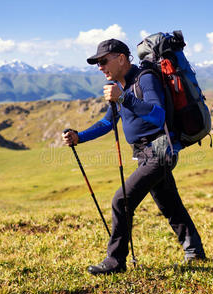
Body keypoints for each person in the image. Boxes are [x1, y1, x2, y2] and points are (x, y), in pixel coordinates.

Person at [62, 39, 205, 275]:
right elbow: (108, 122)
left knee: (121, 201)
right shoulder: (119, 84)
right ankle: (195, 252)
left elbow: (158, 116)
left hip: (160, 152)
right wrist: (80, 137)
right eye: (97, 63)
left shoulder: (144, 79)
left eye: (103, 61)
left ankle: (115, 261)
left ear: (121, 58)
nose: (100, 67)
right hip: (145, 154)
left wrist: (124, 97)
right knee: (170, 204)